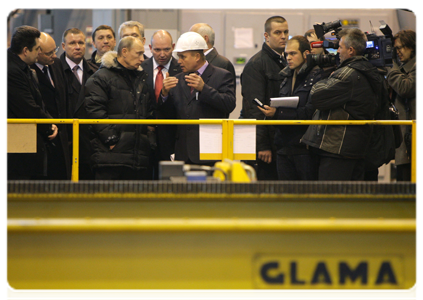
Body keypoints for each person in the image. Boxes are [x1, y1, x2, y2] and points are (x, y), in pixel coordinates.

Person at [301, 28, 381, 181]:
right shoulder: (368, 70)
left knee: (331, 199)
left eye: (340, 47)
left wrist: (325, 77)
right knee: (351, 200)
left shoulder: (348, 74)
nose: (337, 51)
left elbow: (316, 96)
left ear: (350, 50)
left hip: (338, 148)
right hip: (355, 147)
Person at [159, 31, 236, 165]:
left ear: (197, 56)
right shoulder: (177, 80)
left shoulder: (222, 75)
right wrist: (164, 95)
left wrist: (204, 89)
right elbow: (168, 116)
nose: (179, 61)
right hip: (183, 153)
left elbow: (229, 104)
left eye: (183, 57)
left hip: (210, 151)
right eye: (179, 57)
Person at [85, 36, 154, 180]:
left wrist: (149, 142)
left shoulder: (141, 79)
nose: (142, 59)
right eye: (138, 53)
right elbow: (95, 111)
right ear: (124, 52)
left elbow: (148, 113)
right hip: (110, 158)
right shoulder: (101, 78)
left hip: (138, 158)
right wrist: (111, 140)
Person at [258, 36, 323, 180]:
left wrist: (277, 112)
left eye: (293, 53)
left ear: (306, 54)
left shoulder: (317, 77)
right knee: (285, 196)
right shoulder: (286, 77)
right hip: (283, 146)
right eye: (286, 54)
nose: (288, 58)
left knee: (307, 196)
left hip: (305, 148)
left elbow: (309, 112)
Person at [5, 25, 58, 179]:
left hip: (25, 142)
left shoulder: (23, 68)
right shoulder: (11, 71)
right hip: (16, 147)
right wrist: (49, 125)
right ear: (26, 50)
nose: (39, 53)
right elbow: (27, 107)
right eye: (37, 50)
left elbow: (37, 102)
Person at [240, 16, 289, 180]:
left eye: (286, 32)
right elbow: (253, 109)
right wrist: (262, 146)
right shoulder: (257, 64)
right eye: (277, 32)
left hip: (281, 141)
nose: (283, 36)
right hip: (267, 146)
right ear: (266, 36)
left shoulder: (286, 61)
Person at [141, 30, 182, 179]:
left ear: (173, 47)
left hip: (172, 135)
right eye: (157, 50)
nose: (162, 54)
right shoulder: (140, 68)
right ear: (150, 48)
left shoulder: (181, 70)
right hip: (146, 135)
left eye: (166, 49)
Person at [30, 32, 71, 179]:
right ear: (37, 52)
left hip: (61, 137)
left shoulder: (56, 64)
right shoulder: (26, 71)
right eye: (49, 53)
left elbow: (63, 98)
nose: (54, 55)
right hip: (41, 137)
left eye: (55, 50)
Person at [61, 27, 97, 179]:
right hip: (65, 141)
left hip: (90, 143)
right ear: (63, 46)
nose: (77, 47)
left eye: (81, 43)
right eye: (72, 43)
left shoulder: (96, 72)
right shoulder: (54, 71)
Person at [387, 30, 420, 181]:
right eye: (395, 49)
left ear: (412, 47)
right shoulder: (406, 67)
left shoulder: (419, 67)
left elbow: (405, 88)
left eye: (400, 48)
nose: (398, 52)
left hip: (415, 140)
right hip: (407, 139)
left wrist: (390, 65)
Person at [189, 23, 236, 92]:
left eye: (191, 38)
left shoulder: (223, 64)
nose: (188, 42)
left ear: (205, 39)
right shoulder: (189, 62)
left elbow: (227, 99)